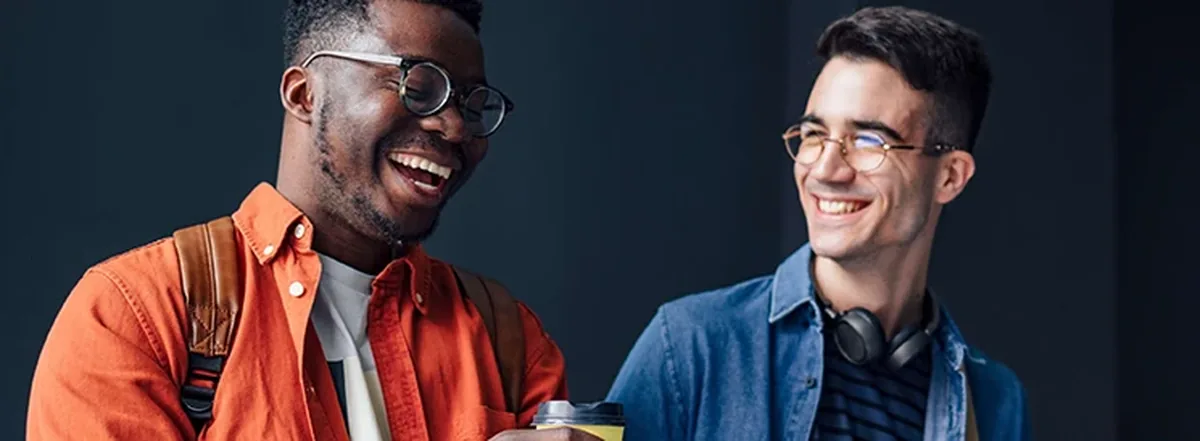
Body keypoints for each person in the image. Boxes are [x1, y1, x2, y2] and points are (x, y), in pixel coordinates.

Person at [27, 1, 596, 440]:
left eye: (472, 104)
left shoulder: (508, 339)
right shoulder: (136, 316)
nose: (455, 128)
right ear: (304, 94)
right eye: (419, 88)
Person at [606, 6, 1031, 441]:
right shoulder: (690, 346)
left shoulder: (995, 402)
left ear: (949, 175)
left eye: (868, 140)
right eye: (813, 134)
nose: (826, 170)